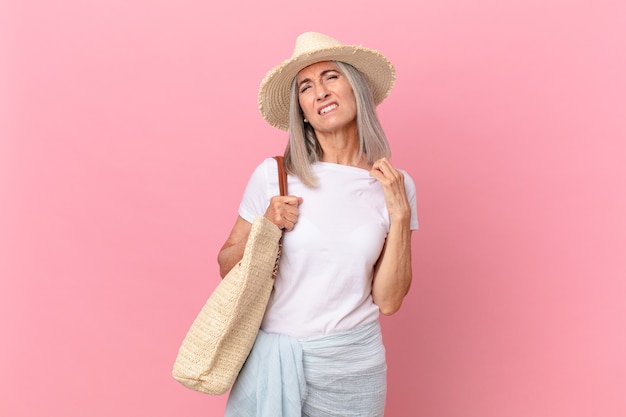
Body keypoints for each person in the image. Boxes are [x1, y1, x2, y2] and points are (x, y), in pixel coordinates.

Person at [218, 32, 419, 417]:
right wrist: (266, 227)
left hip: (353, 366)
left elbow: (390, 301)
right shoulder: (274, 177)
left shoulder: (395, 185)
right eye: (306, 87)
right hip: (274, 359)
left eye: (331, 77)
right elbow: (226, 265)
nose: (320, 92)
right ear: (303, 112)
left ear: (355, 89)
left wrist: (401, 213)